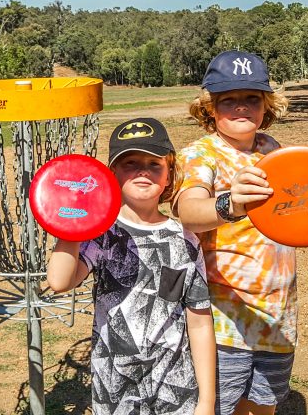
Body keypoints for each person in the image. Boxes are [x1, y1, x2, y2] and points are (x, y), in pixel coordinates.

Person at [47, 117, 216, 415]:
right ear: (111, 174)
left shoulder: (185, 239)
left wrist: (206, 401)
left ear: (169, 175)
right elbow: (60, 280)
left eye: (154, 164)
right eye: (130, 163)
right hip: (115, 392)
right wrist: (73, 222)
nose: (143, 172)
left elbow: (200, 323)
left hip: (175, 390)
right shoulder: (100, 235)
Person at [174, 50, 295, 415]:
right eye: (229, 100)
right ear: (210, 107)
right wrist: (230, 205)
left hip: (277, 313)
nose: (241, 107)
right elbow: (188, 211)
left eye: (251, 98)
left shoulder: (272, 150)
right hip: (222, 318)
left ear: (266, 104)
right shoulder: (200, 155)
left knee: (263, 406)